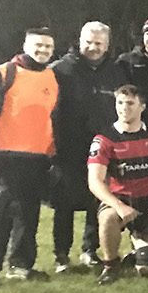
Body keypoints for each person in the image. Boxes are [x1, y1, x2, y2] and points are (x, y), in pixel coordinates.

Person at [0, 27, 60, 287]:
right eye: (38, 45)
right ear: (25, 45)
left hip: (37, 159)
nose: (42, 50)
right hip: (3, 158)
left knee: (28, 215)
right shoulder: (1, 74)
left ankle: (21, 266)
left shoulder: (51, 77)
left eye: (48, 47)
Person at [51, 21, 127, 270]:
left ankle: (89, 250)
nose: (93, 48)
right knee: (64, 203)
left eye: (99, 43)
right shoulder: (61, 69)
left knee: (97, 199)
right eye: (89, 42)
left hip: (103, 148)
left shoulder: (116, 71)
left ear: (107, 45)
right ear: (80, 41)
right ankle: (62, 255)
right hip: (68, 148)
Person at [87, 85, 148, 285]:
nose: (124, 108)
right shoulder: (104, 139)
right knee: (108, 217)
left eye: (130, 103)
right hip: (120, 200)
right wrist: (119, 206)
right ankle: (111, 265)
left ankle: (137, 252)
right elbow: (95, 181)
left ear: (142, 107)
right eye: (120, 103)